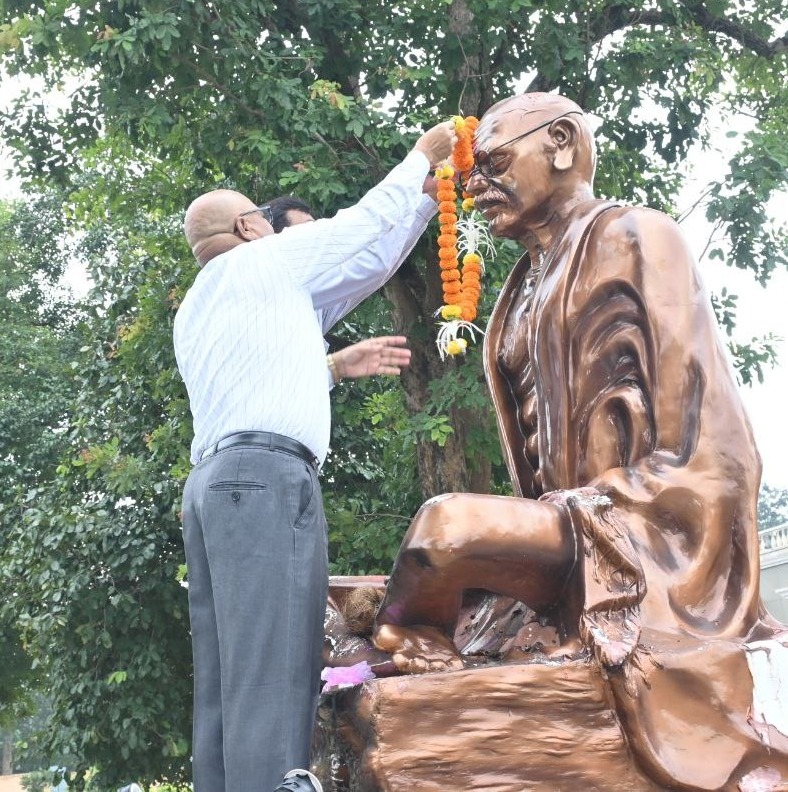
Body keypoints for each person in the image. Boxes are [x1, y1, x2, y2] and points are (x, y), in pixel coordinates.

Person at [371, 93, 788, 790]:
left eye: (493, 163)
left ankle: (419, 636)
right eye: (470, 175)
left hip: (646, 526)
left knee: (446, 529)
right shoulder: (520, 286)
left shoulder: (637, 236)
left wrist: (605, 508)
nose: (476, 188)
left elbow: (709, 437)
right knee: (343, 596)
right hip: (563, 532)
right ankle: (422, 640)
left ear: (561, 143)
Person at [173, 119, 455, 792]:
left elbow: (365, 271)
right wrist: (422, 159)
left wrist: (426, 206)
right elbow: (361, 231)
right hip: (265, 480)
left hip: (215, 486)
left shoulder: (203, 305)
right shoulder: (266, 260)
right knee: (275, 660)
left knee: (228, 673)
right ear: (250, 227)